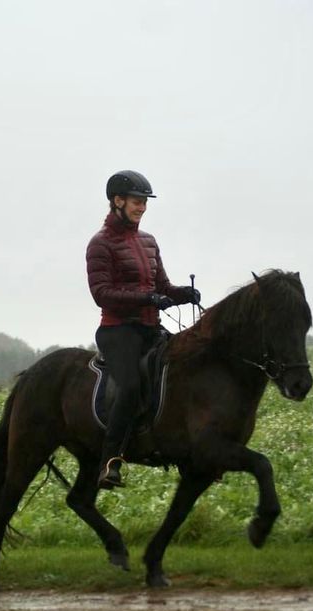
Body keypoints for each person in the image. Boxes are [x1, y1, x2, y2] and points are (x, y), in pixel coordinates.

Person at [86, 170, 199, 489]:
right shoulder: (100, 244)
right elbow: (101, 293)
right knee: (131, 386)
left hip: (151, 329)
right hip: (118, 332)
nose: (142, 207)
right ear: (117, 201)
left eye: (144, 202)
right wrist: (146, 298)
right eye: (137, 202)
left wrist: (181, 294)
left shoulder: (148, 242)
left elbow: (161, 285)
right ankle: (110, 462)